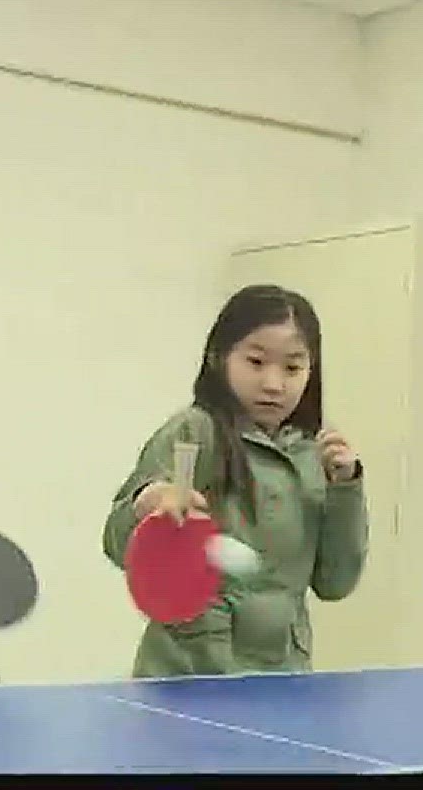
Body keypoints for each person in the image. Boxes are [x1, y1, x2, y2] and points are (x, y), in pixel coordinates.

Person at [101, 284, 367, 677]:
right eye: (257, 362)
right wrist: (147, 505)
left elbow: (335, 583)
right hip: (190, 674)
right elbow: (117, 544)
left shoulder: (314, 455)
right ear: (217, 358)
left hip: (283, 678)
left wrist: (346, 488)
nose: (274, 384)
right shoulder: (194, 431)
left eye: (293, 367)